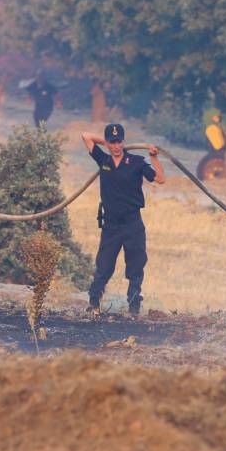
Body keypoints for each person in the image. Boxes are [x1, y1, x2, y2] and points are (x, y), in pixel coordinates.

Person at [82, 123, 166, 316]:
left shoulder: (137, 162)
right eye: (112, 142)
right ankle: (94, 304)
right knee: (103, 266)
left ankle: (134, 308)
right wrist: (106, 144)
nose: (116, 146)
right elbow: (86, 135)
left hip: (132, 223)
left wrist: (153, 158)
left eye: (119, 141)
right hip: (111, 225)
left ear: (124, 141)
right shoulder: (102, 159)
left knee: (136, 266)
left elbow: (160, 179)